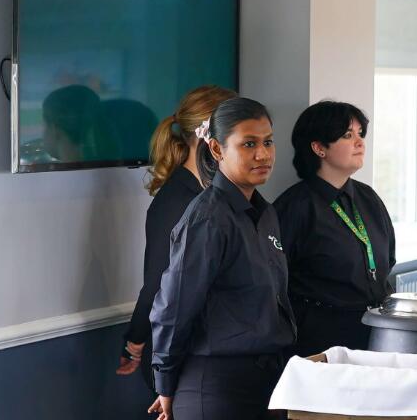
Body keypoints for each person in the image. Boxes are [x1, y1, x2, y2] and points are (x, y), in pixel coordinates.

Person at [147, 98, 295, 420]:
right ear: (216, 149)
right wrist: (165, 381)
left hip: (267, 377)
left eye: (268, 142)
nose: (263, 154)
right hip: (216, 384)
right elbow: (174, 305)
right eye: (249, 144)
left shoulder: (265, 212)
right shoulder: (208, 217)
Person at [118, 85, 236, 390]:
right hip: (184, 356)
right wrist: (135, 340)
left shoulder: (217, 196)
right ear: (208, 133)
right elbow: (158, 282)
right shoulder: (175, 201)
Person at [275, 101, 395, 356]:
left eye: (360, 134)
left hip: (377, 334)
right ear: (319, 148)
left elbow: (388, 259)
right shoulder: (294, 208)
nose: (360, 142)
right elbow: (275, 284)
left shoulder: (368, 198)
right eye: (347, 135)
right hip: (322, 342)